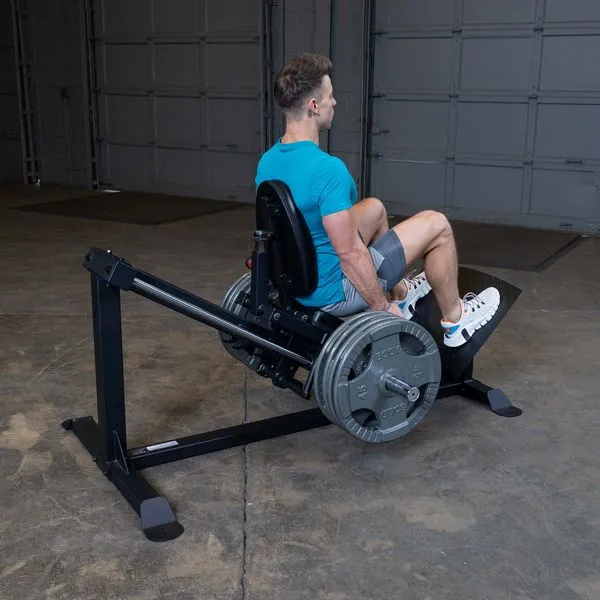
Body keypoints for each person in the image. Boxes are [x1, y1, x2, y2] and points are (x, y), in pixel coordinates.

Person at [255, 53, 500, 347]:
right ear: (313, 106)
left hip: (296, 283)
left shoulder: (268, 161)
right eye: (330, 97)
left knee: (375, 209)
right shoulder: (327, 170)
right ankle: (456, 321)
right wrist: (382, 309)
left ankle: (402, 292)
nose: (334, 103)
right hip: (334, 291)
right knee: (438, 226)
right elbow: (350, 254)